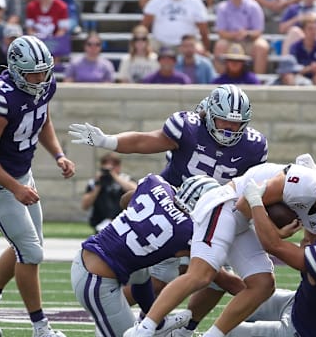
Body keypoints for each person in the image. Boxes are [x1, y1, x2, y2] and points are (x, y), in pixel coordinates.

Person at [68, 84, 270, 336]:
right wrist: (110, 141)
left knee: (178, 277)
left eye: (236, 124)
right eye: (223, 121)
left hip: (208, 211)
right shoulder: (187, 127)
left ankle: (174, 328)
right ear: (208, 114)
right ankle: (133, 320)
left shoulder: (253, 145)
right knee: (187, 276)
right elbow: (147, 140)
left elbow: (128, 200)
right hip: (181, 212)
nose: (229, 129)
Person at [123, 158, 316, 337]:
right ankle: (144, 328)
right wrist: (275, 234)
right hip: (226, 205)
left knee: (263, 285)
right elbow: (245, 203)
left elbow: (307, 242)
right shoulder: (305, 183)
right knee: (201, 275)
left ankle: (213, 335)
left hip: (244, 221)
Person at [0, 35, 75, 337]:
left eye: (43, 71)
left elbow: (42, 119)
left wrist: (59, 154)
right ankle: (40, 327)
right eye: (33, 73)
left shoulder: (44, 85)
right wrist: (14, 187)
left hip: (23, 174)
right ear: (14, 68)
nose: (40, 79)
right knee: (31, 252)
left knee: (29, 246)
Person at [73, 172, 194, 336]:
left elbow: (125, 200)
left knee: (143, 272)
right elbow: (209, 270)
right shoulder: (187, 230)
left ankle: (157, 322)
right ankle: (152, 324)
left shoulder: (156, 184)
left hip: (90, 258)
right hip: (95, 282)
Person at [224, 178, 316, 337]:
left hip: (297, 331)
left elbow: (273, 245)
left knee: (228, 332)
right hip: (298, 304)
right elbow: (311, 236)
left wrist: (255, 202)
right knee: (246, 300)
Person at [214, 0, 270, 74]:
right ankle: (221, 80)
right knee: (220, 45)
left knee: (262, 46)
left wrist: (246, 34)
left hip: (249, 41)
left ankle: (259, 82)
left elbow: (258, 31)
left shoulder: (253, 6)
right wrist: (235, 35)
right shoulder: (222, 7)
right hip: (230, 40)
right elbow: (221, 32)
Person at [142, 0, 210, 54]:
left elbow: (203, 30)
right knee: (143, 49)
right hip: (159, 42)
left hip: (187, 44)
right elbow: (144, 25)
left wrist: (206, 49)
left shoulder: (195, 2)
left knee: (199, 50)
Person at [81, 152, 137, 233]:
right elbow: (85, 206)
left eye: (114, 165)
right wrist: (98, 185)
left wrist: (115, 176)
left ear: (119, 166)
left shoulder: (125, 178)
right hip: (100, 223)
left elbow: (135, 191)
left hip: (122, 222)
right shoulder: (94, 182)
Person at [289, 15, 316, 85]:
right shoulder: (295, 47)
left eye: (315, 29)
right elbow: (293, 69)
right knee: (291, 78)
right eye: (310, 29)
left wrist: (306, 69)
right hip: (300, 77)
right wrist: (310, 68)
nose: (313, 32)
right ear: (303, 30)